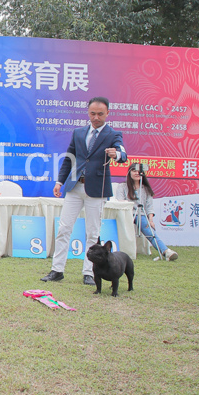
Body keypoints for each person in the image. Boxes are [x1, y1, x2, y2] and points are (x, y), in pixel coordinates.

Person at [42, 97, 128, 286]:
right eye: (92, 113)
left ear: (107, 113)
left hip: (96, 189)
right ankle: (57, 270)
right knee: (64, 228)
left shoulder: (113, 134)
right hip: (74, 186)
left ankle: (89, 272)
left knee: (92, 233)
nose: (96, 117)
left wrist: (116, 154)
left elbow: (123, 154)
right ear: (88, 113)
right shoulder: (79, 133)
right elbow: (69, 159)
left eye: (100, 114)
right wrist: (59, 181)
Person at [115, 162, 178, 261]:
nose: (137, 173)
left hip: (141, 214)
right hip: (126, 214)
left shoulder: (146, 189)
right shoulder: (122, 186)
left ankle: (166, 252)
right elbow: (120, 201)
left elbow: (149, 207)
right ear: (129, 173)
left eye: (139, 171)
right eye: (134, 171)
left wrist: (151, 220)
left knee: (149, 231)